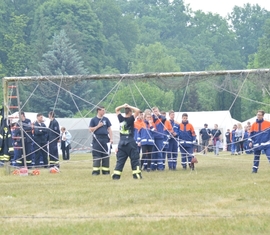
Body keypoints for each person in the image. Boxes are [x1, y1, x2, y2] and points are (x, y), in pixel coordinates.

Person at [111, 103, 142, 180]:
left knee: (120, 160)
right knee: (134, 159)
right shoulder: (131, 119)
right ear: (130, 112)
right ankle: (136, 174)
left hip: (121, 142)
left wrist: (123, 106)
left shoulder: (121, 119)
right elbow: (138, 110)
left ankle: (116, 175)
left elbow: (116, 109)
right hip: (130, 142)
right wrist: (129, 106)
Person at [89, 106, 113, 175]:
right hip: (97, 139)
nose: (104, 112)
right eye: (102, 110)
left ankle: (106, 171)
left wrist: (111, 138)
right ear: (98, 111)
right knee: (97, 154)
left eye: (104, 110)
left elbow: (109, 129)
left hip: (105, 139)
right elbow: (90, 130)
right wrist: (98, 126)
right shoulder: (93, 120)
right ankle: (96, 171)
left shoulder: (106, 119)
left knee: (106, 154)